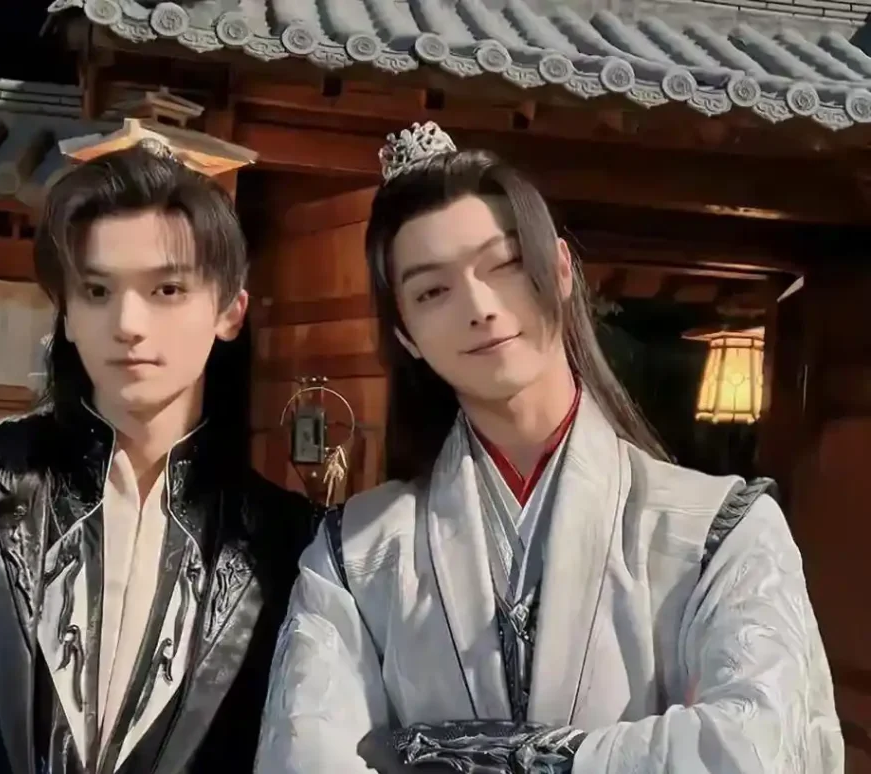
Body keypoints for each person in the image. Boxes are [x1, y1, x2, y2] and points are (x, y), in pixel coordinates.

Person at [254, 123, 842, 774]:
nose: (479, 306)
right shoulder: (353, 554)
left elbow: (760, 749)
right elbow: (302, 758)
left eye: (504, 264)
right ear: (407, 335)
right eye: (431, 291)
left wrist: (454, 754)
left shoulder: (720, 532)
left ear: (560, 269)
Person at [0, 145, 318, 774]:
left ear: (230, 311)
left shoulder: (283, 549)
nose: (128, 322)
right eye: (97, 290)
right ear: (67, 313)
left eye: (167, 289)